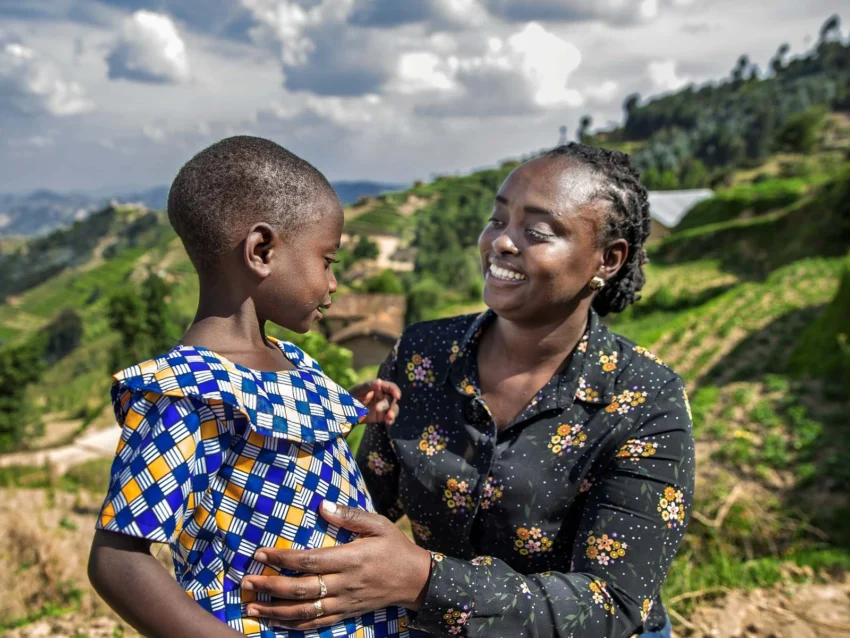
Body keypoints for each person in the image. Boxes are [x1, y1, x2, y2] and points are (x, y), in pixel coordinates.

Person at [236, 143, 694, 637]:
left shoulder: (646, 399)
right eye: (498, 221)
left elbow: (613, 603)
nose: (501, 242)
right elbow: (361, 503)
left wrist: (423, 580)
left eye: (535, 232)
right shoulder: (422, 355)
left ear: (607, 259)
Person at [87, 136, 417, 638]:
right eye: (327, 261)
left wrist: (351, 404)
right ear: (261, 251)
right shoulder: (186, 393)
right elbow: (117, 559)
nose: (333, 284)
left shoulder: (288, 361)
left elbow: (280, 445)